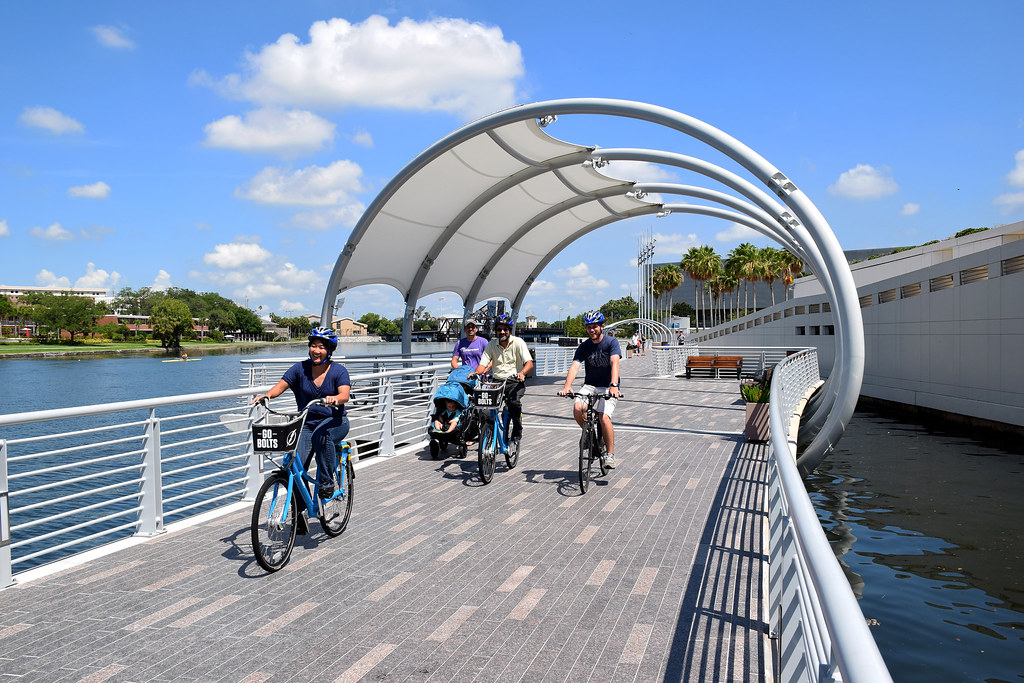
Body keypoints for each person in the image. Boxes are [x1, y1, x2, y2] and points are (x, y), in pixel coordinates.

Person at [253, 327, 351, 507]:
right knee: (295, 466)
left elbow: (344, 395)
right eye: (313, 346)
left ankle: (327, 482)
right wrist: (267, 396)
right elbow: (281, 386)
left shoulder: (339, 371)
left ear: (329, 350)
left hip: (336, 421)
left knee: (322, 437)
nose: (316, 350)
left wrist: (334, 399)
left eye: (321, 347)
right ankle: (300, 512)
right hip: (307, 423)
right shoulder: (300, 369)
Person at [557, 310, 623, 468]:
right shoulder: (584, 346)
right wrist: (567, 386)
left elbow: (615, 363)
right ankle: (589, 434)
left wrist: (614, 385)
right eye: (588, 327)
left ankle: (610, 455)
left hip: (608, 386)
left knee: (603, 417)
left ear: (601, 326)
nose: (591, 330)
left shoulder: (611, 342)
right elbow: (575, 366)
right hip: (590, 385)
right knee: (578, 407)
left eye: (594, 326)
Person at [472, 313, 533, 443]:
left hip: (514, 381)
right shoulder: (491, 345)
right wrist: (475, 374)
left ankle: (517, 429)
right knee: (483, 407)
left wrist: (522, 372)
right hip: (496, 382)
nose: (502, 332)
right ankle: (487, 432)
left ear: (509, 330)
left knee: (514, 403)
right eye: (499, 329)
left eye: (505, 329)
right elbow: (483, 364)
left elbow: (529, 363)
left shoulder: (518, 342)